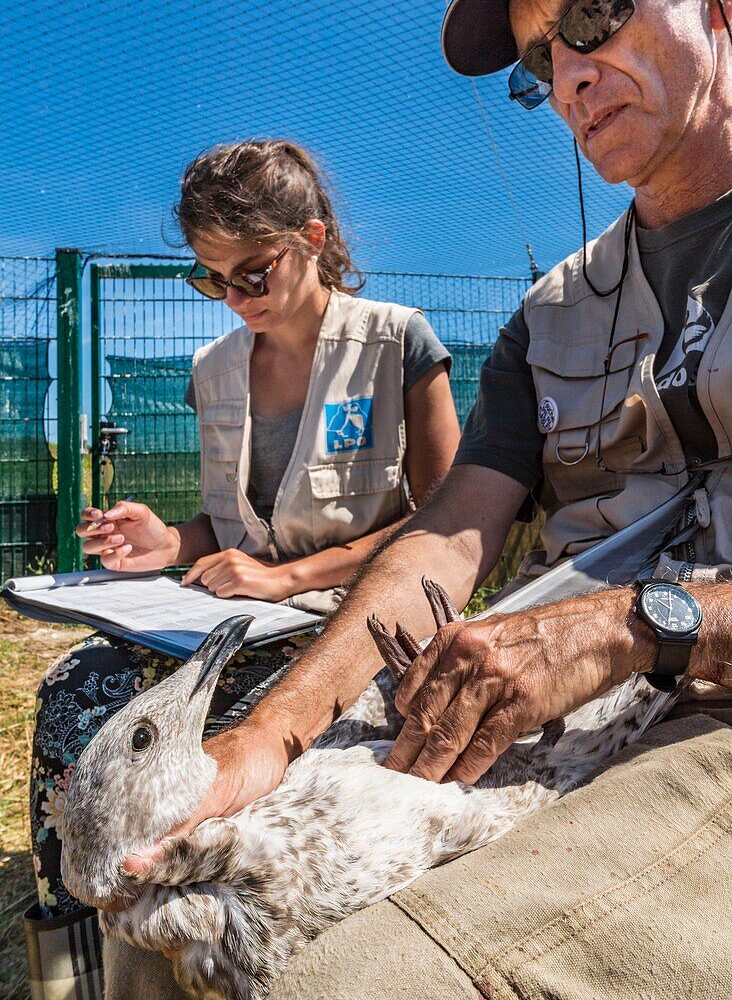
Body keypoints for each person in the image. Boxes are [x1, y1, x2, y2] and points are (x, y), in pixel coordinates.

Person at [99, 0, 732, 997]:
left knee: (358, 979)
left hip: (702, 718)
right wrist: (272, 736)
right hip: (540, 711)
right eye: (543, 56)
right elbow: (446, 536)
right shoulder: (552, 315)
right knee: (160, 921)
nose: (572, 74)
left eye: (596, 10)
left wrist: (635, 626)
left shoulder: (399, 340)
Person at [23, 138, 461, 999]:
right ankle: (72, 961)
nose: (234, 298)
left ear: (312, 236)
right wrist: (168, 542)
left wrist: (293, 579)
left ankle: (214, 953)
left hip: (359, 620)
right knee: (75, 696)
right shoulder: (210, 370)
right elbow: (232, 524)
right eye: (210, 278)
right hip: (237, 621)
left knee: (216, 756)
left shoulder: (395, 341)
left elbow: (449, 521)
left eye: (252, 272)